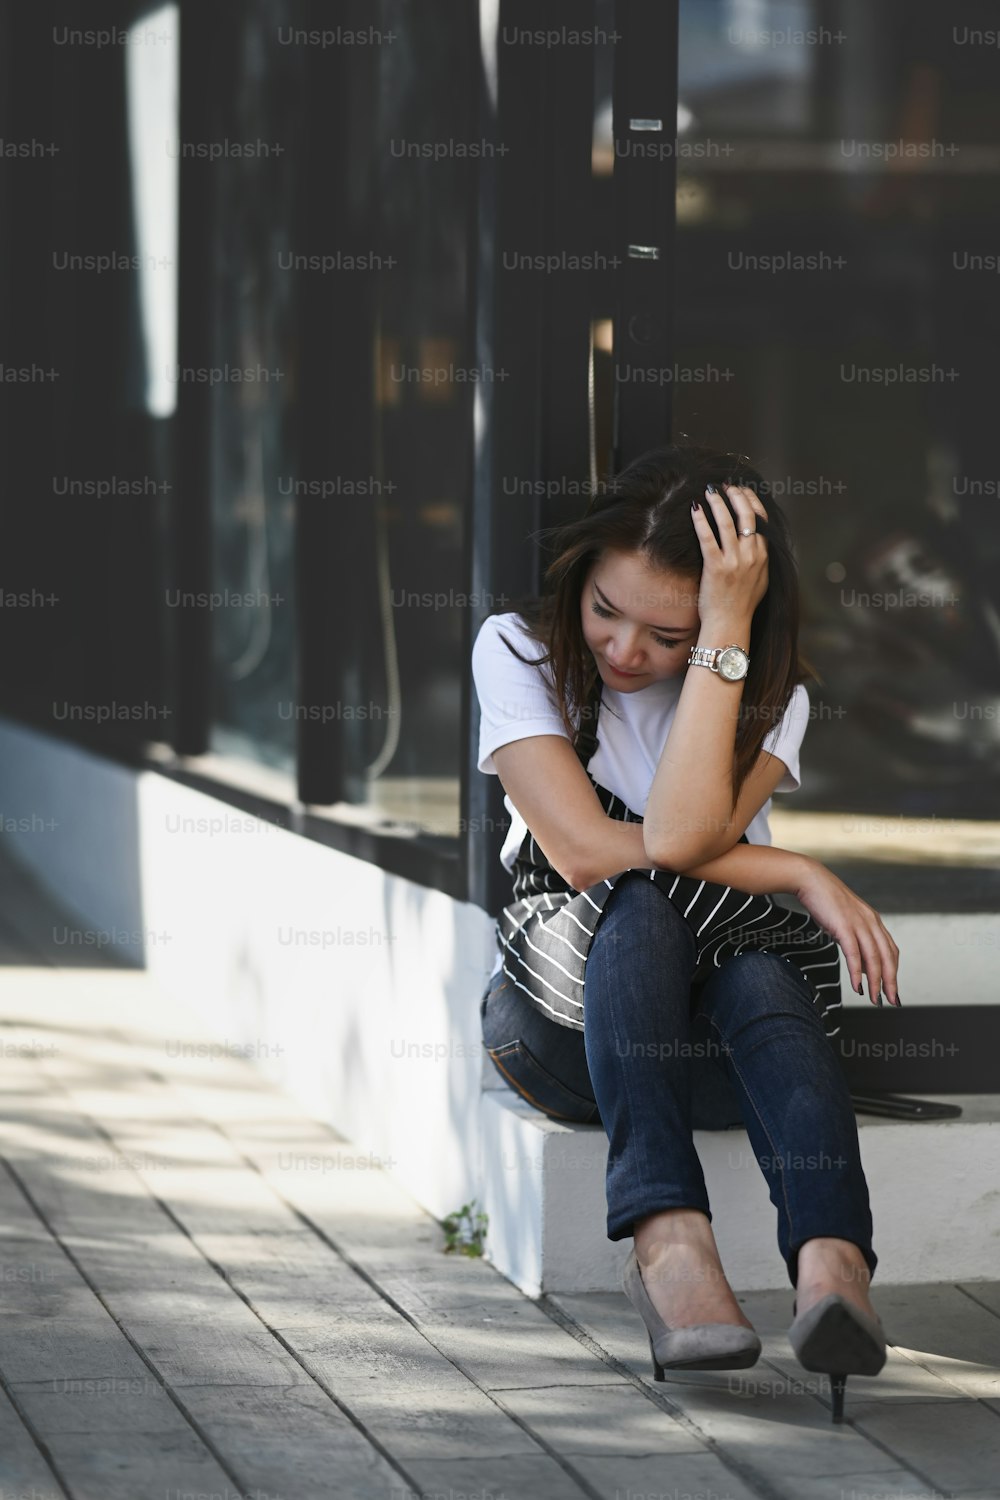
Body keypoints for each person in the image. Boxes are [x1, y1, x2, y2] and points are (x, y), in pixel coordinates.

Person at [471, 444, 900, 1423]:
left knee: (755, 973)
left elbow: (674, 837)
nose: (624, 652)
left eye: (666, 633)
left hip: (711, 1050)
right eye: (604, 611)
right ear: (577, 579)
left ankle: (833, 1265)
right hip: (563, 1033)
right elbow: (587, 852)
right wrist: (796, 868)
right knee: (642, 903)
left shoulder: (767, 696)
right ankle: (665, 1238)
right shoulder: (519, 649)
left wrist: (723, 637)